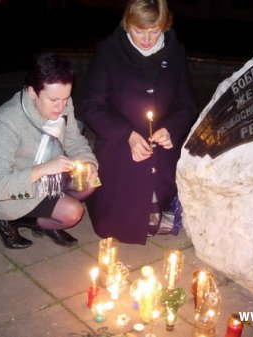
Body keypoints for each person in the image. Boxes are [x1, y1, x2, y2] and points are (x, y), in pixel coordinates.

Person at [81, 0, 197, 244]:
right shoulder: (109, 51)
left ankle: (158, 205)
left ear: (164, 27)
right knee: (112, 226)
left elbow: (186, 104)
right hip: (119, 145)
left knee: (157, 211)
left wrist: (171, 129)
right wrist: (127, 135)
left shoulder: (175, 51)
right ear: (127, 24)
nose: (147, 39)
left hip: (161, 149)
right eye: (139, 31)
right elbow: (91, 105)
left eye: (154, 31)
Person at [0, 52, 98, 249]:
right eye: (54, 100)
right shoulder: (6, 121)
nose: (61, 107)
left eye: (66, 98)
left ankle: (48, 216)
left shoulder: (62, 103)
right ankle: (8, 220)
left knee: (90, 181)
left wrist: (88, 162)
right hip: (11, 190)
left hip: (49, 176)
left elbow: (75, 141)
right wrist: (44, 169)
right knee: (72, 213)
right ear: (32, 92)